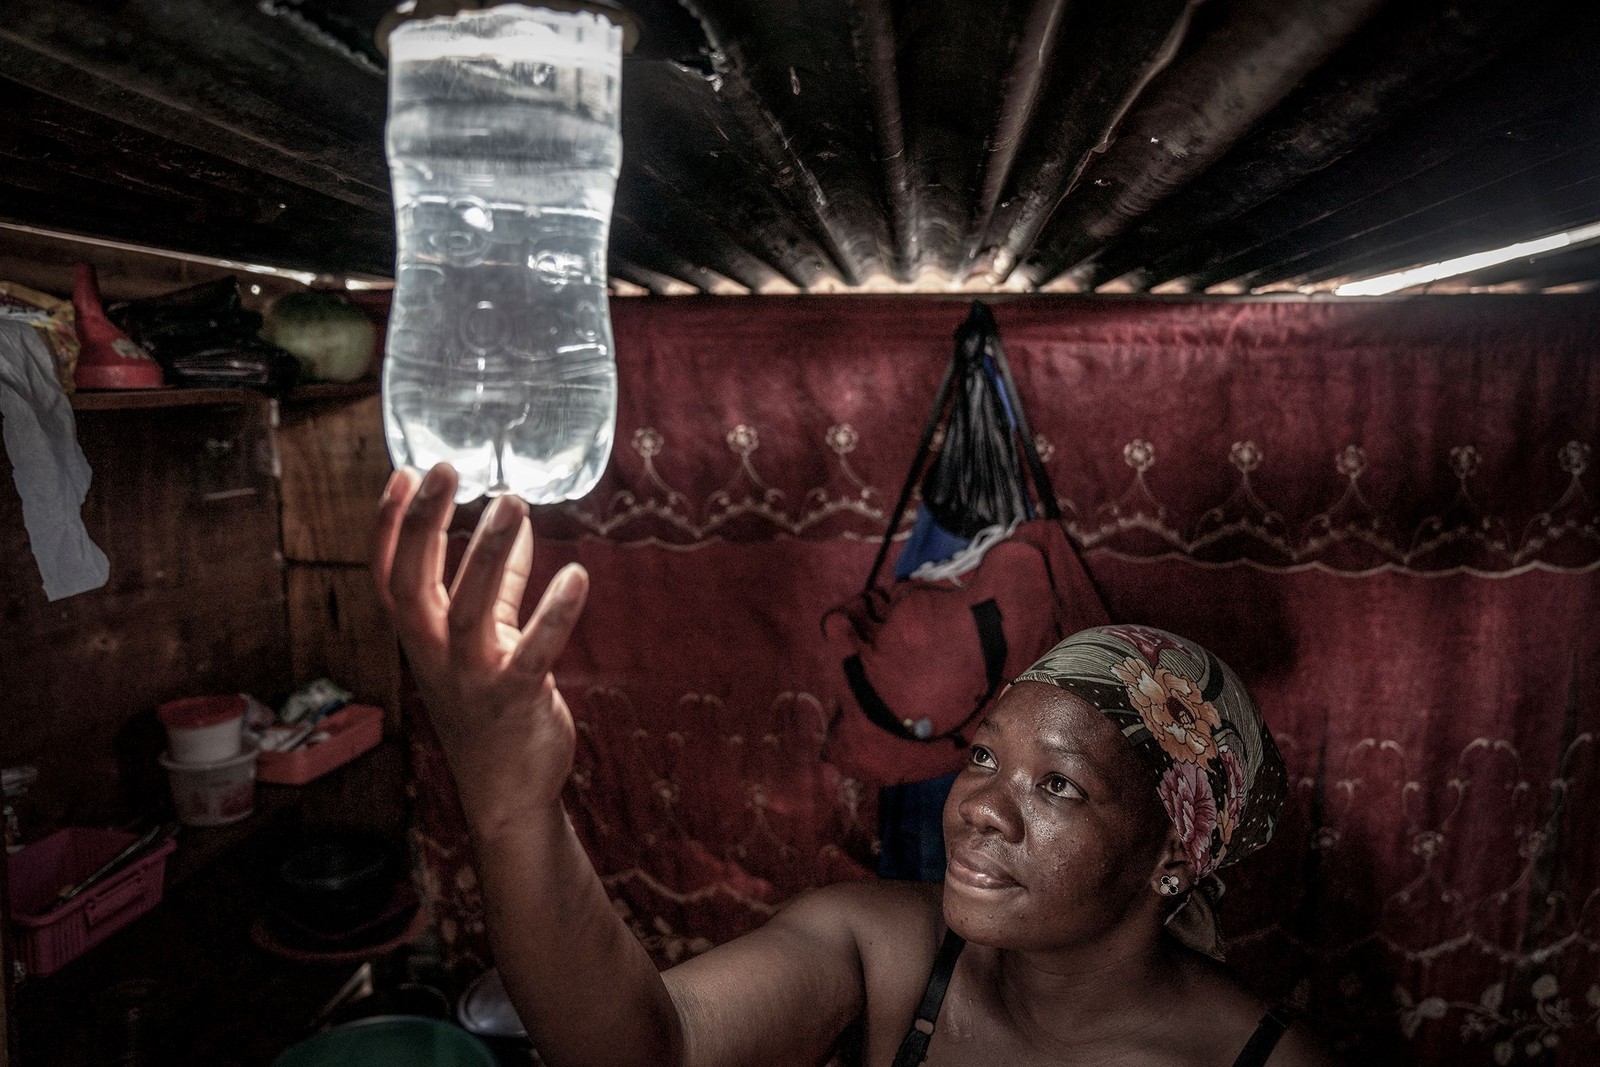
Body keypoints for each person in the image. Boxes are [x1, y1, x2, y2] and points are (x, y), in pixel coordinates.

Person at [373, 462, 1338, 1067]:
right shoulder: (884, 952)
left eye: (1056, 785)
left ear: (1170, 852)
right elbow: (641, 1048)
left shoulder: (1265, 1056)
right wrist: (513, 800)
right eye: (984, 757)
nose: (979, 811)